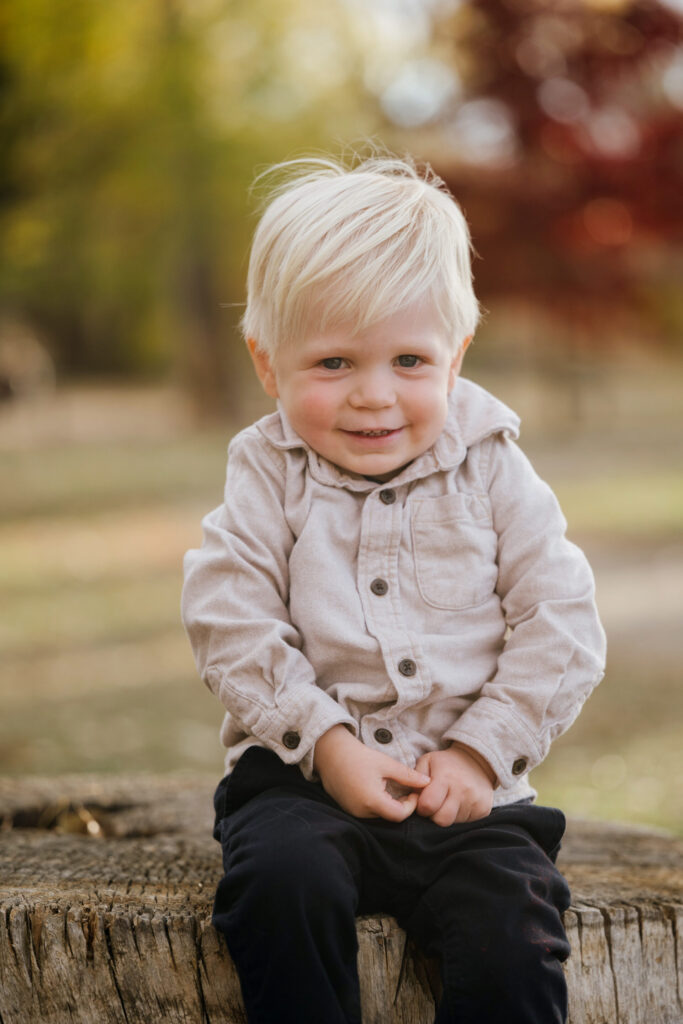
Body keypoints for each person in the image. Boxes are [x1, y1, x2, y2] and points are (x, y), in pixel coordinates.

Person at [181, 152, 606, 1024]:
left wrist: (482, 751)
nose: (373, 397)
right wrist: (327, 744)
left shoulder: (493, 469)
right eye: (333, 362)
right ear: (268, 365)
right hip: (303, 782)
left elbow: (559, 620)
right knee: (278, 889)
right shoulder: (267, 471)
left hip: (467, 799)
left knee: (514, 935)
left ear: (457, 356)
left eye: (409, 359)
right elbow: (230, 614)